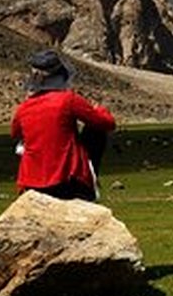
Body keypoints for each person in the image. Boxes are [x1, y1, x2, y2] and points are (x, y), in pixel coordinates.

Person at [10, 49, 116, 201]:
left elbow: (15, 133)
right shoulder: (69, 100)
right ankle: (90, 178)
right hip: (66, 178)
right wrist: (100, 109)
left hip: (31, 180)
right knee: (96, 130)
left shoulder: (24, 107)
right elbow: (107, 123)